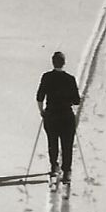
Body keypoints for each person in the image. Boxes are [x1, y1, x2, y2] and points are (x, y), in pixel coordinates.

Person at [36, 51, 82, 183]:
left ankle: (54, 166)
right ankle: (67, 171)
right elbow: (76, 101)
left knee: (52, 142)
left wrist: (42, 111)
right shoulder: (70, 79)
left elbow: (40, 97)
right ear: (64, 63)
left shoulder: (46, 77)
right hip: (66, 116)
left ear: (52, 62)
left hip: (51, 114)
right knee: (67, 144)